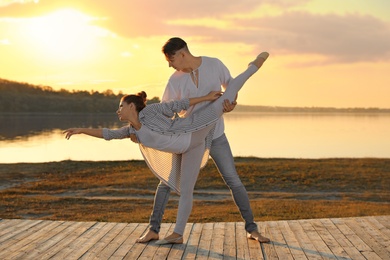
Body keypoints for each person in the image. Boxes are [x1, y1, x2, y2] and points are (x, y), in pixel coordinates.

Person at [64, 52, 269, 244]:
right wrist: (81, 129)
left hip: (194, 128)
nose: (117, 110)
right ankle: (170, 233)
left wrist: (209, 98)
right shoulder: (132, 131)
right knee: (177, 186)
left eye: (120, 106)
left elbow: (178, 105)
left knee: (228, 96)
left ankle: (253, 67)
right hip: (186, 147)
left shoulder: (152, 111)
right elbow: (107, 133)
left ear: (131, 107)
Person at [135, 37, 270, 245]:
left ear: (182, 54)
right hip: (189, 138)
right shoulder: (175, 80)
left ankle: (252, 229)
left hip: (216, 135)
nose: (169, 64)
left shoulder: (214, 65)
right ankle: (154, 229)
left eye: (171, 59)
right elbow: (165, 111)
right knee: (165, 183)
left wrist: (231, 105)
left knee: (233, 180)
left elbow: (231, 87)